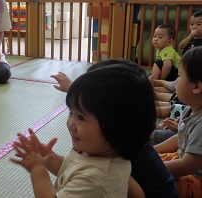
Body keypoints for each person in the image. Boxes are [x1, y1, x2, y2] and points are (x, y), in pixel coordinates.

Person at [11, 59, 175, 197]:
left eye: (81, 117)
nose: (71, 124)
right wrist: (49, 158)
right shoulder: (107, 154)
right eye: (71, 113)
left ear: (116, 126)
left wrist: (37, 170)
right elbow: (73, 168)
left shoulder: (96, 179)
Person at [155, 46, 202, 197]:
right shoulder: (191, 109)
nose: (176, 82)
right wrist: (153, 151)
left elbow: (188, 165)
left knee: (148, 181)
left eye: (179, 76)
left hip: (195, 179)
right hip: (181, 160)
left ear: (196, 87)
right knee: (145, 160)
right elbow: (180, 138)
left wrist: (151, 169)